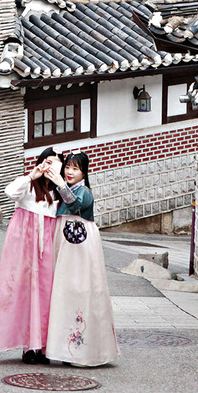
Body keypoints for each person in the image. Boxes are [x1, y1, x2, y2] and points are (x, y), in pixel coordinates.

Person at [0, 147, 63, 364]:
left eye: (55, 163)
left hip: (47, 249)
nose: (49, 167)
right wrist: (32, 175)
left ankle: (44, 347)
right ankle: (28, 347)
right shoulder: (29, 186)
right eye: (46, 161)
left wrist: (60, 182)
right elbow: (10, 192)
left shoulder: (58, 194)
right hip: (23, 248)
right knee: (23, 292)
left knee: (45, 295)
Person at [44, 151, 119, 367]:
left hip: (81, 244)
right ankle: (65, 349)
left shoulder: (84, 192)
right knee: (64, 290)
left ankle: (83, 350)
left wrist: (60, 183)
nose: (69, 172)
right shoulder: (64, 189)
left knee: (81, 288)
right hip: (65, 240)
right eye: (68, 167)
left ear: (84, 172)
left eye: (75, 168)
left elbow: (75, 204)